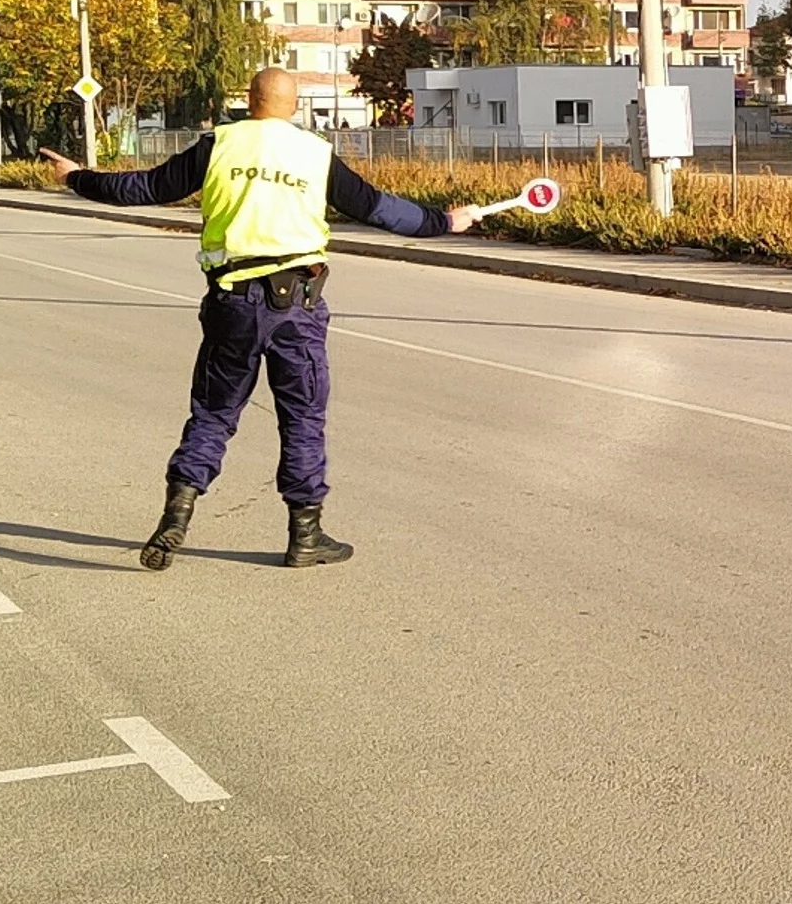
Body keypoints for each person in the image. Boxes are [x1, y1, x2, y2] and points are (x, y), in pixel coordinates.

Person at [40, 68, 473, 570]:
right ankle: (305, 535)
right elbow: (380, 209)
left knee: (214, 414)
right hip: (298, 309)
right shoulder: (315, 153)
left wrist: (76, 177)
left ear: (250, 101)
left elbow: (143, 188)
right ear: (294, 106)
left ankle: (176, 515)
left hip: (232, 303)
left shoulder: (218, 144)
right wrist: (445, 221)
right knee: (303, 417)